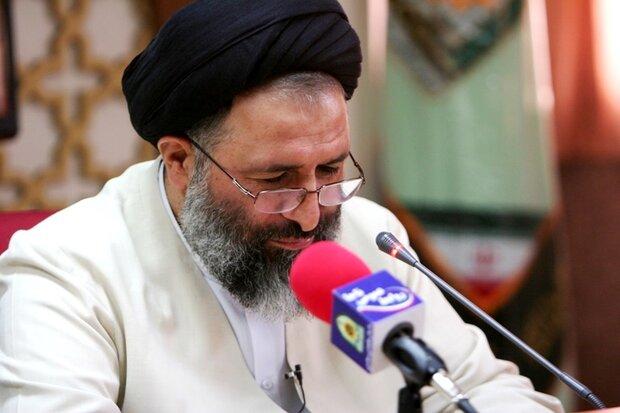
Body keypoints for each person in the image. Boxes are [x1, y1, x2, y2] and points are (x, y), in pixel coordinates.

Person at [0, 1, 564, 412]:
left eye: (331, 171)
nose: (311, 215)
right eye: (275, 181)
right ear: (180, 161)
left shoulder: (371, 240)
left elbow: (485, 390)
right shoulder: (67, 274)